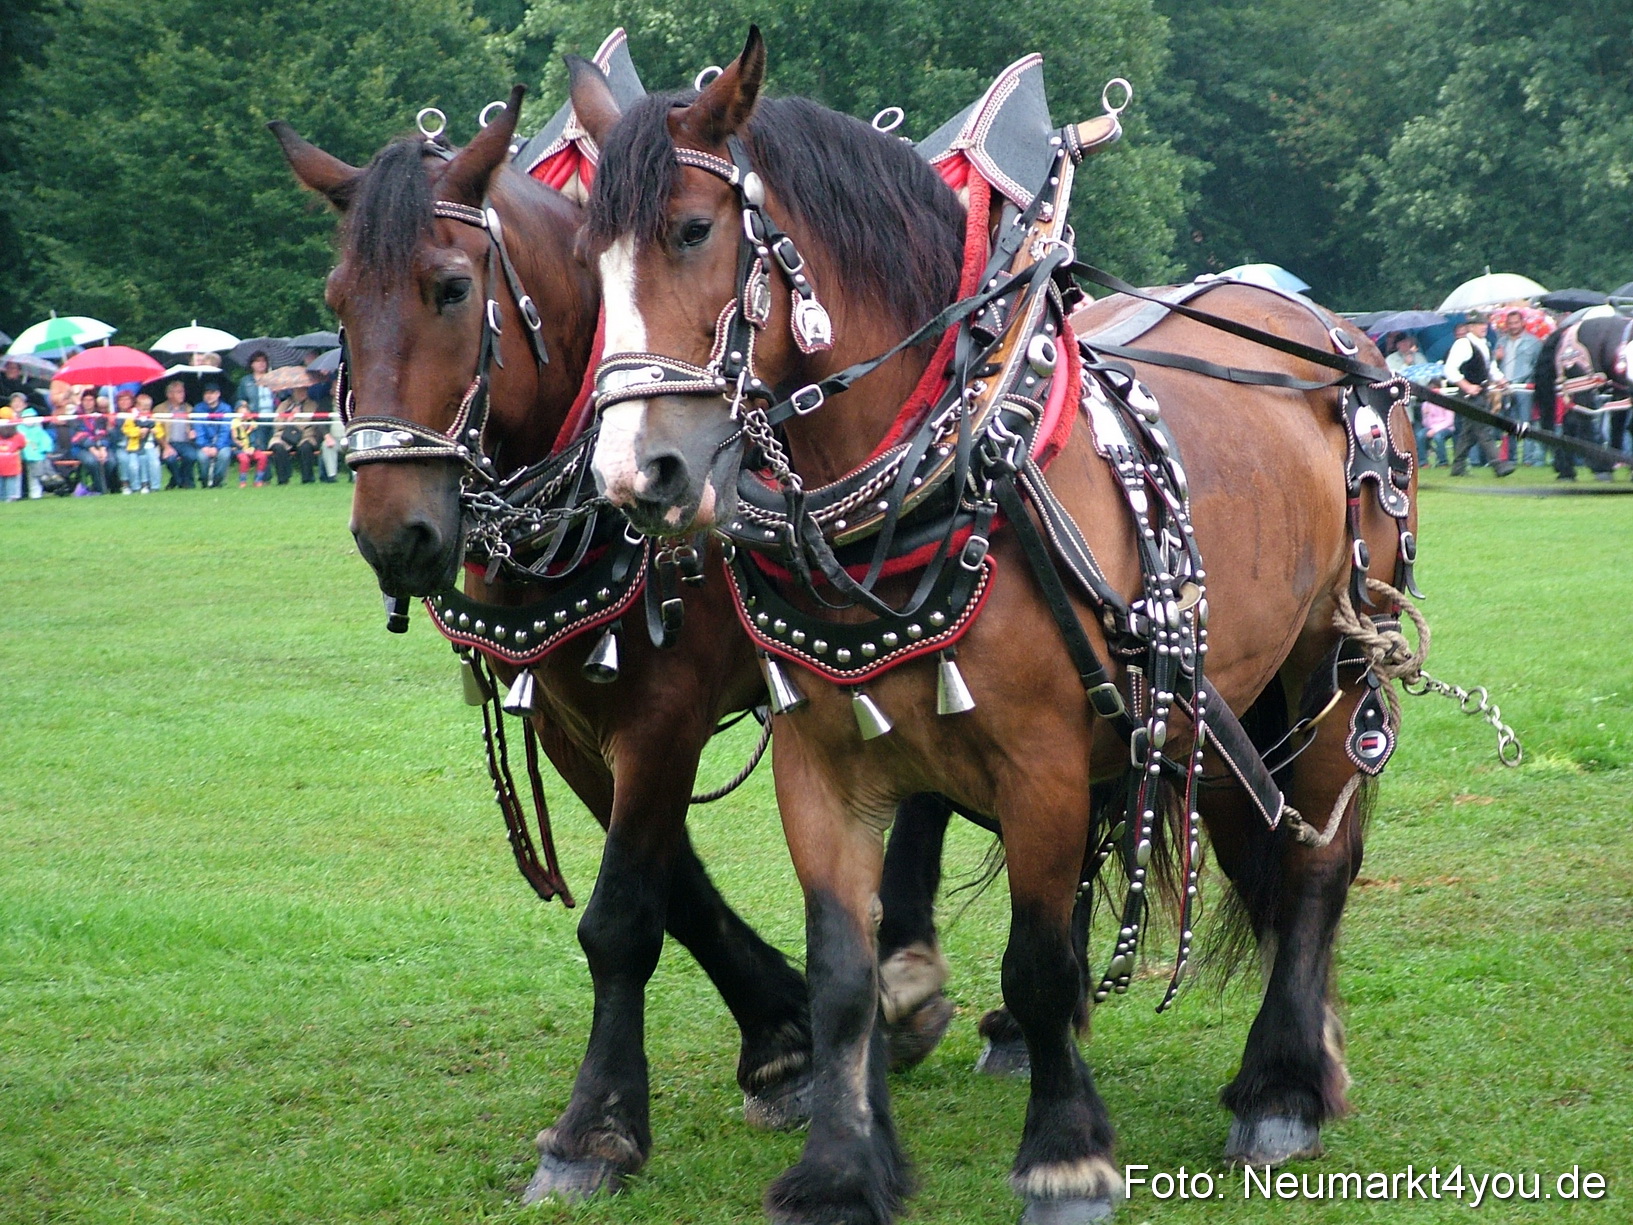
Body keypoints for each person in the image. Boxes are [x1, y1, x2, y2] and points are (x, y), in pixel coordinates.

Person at [1444, 314, 1514, 477]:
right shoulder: (1463, 344)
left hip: (1481, 393)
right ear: (1470, 327)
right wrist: (1466, 386)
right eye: (1479, 324)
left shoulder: (1484, 344)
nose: (1484, 327)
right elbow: (1450, 370)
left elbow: (1490, 368)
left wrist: (1501, 380)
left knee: (1469, 433)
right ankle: (1498, 465)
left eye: (1484, 324)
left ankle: (1458, 467)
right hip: (1469, 395)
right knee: (1483, 429)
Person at [1494, 309, 1543, 465]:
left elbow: (1539, 366)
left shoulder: (1534, 342)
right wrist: (1497, 358)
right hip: (1504, 387)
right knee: (1508, 424)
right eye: (1510, 323)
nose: (1513, 326)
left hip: (1524, 388)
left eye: (1516, 322)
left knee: (1525, 423)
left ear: (1523, 323)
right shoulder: (1501, 342)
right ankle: (1510, 457)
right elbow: (1493, 366)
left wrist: (1533, 384)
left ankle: (1528, 459)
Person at [69, 389, 116, 493]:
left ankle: (97, 486)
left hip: (101, 446)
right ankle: (101, 490)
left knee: (111, 461)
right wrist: (93, 450)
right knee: (92, 461)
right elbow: (79, 435)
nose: (88, 403)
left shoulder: (100, 416)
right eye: (85, 400)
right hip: (81, 448)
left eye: (91, 400)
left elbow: (104, 433)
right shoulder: (76, 416)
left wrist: (103, 448)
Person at [120, 392, 164, 493]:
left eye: (148, 409)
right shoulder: (131, 418)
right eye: (143, 409)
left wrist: (155, 431)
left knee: (155, 464)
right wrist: (138, 432)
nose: (145, 411)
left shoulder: (153, 418)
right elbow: (126, 430)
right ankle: (135, 487)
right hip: (134, 447)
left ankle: (154, 486)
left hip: (149, 446)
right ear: (137, 407)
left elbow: (160, 431)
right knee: (133, 466)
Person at [193, 384, 234, 487]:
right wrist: (204, 446)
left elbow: (225, 431)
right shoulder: (198, 408)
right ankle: (204, 482)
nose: (209, 396)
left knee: (224, 455)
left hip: (222, 444)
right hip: (204, 444)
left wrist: (217, 447)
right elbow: (198, 428)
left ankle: (217, 482)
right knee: (201, 457)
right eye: (207, 393)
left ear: (218, 394)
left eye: (212, 393)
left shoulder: (226, 409)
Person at [159, 381, 197, 489]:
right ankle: (181, 481)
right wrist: (165, 446)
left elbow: (193, 426)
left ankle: (175, 481)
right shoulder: (159, 409)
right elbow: (157, 431)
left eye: (183, 392)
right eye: (179, 392)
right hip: (167, 442)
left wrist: (192, 432)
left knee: (192, 456)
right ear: (169, 394)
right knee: (170, 459)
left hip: (185, 443)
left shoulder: (189, 409)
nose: (182, 394)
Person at [17, 401, 53, 498]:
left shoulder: (38, 430)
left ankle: (36, 494)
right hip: (25, 457)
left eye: (31, 418)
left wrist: (44, 450)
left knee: (35, 476)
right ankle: (32, 493)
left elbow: (46, 441)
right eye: (26, 418)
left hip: (39, 456)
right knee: (31, 476)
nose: (29, 420)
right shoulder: (19, 429)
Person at [230, 400, 269, 485]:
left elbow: (256, 438)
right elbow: (233, 440)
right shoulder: (233, 424)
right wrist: (241, 447)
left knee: (262, 457)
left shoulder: (253, 424)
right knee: (244, 460)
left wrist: (252, 447)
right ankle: (243, 481)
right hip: (239, 449)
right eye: (241, 409)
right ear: (236, 411)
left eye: (246, 409)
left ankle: (258, 480)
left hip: (252, 448)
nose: (244, 411)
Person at [268, 401, 302, 484]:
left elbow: (307, 422)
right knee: (278, 448)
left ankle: (307, 479)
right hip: (281, 436)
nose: (301, 393)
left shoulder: (310, 404)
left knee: (305, 447)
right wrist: (289, 419)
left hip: (303, 435)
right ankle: (283, 478)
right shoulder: (284, 404)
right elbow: (277, 423)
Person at [0, 406, 26, 501]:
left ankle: (2, 499)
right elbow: (23, 444)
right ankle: (11, 499)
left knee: (1, 487)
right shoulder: (18, 435)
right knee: (12, 488)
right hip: (13, 465)